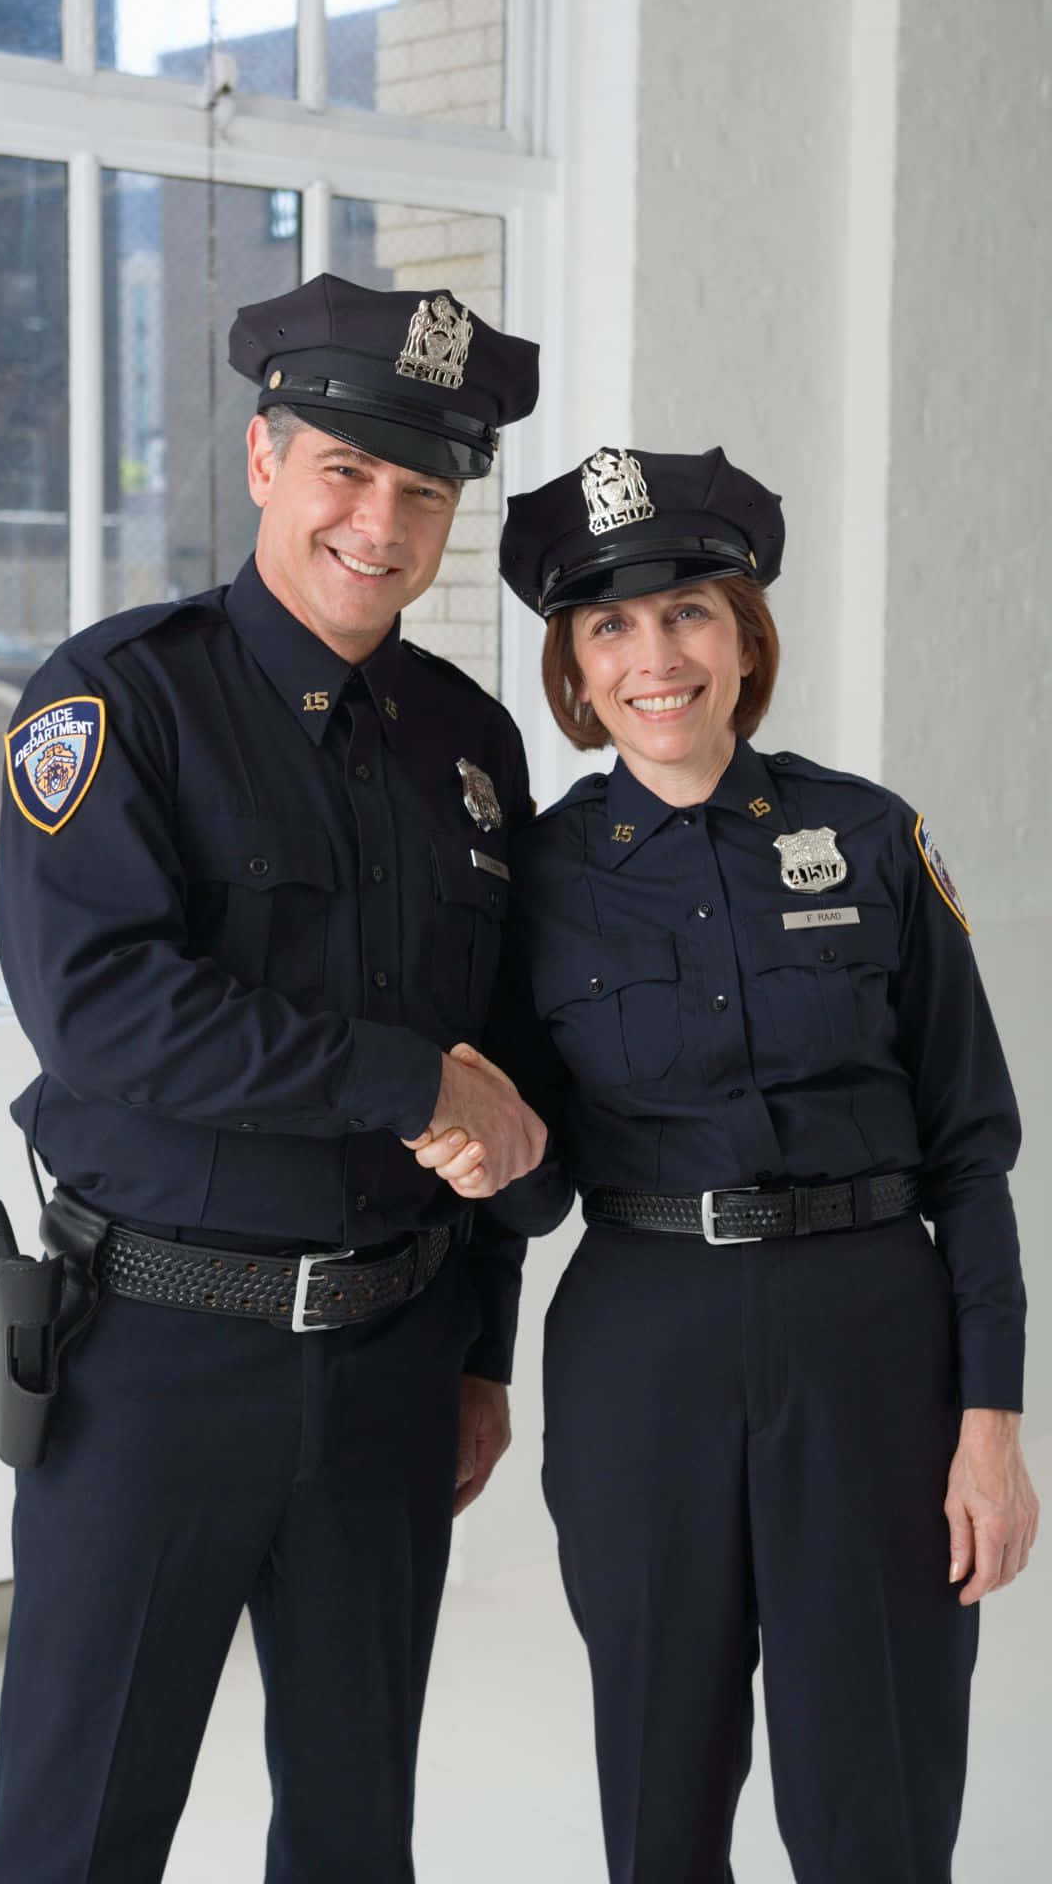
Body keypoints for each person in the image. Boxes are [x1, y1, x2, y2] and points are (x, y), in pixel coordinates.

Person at [0, 272, 569, 1884]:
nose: (380, 520)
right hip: (155, 1366)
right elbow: (101, 1011)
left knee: (351, 1823)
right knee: (78, 1825)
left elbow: (497, 1059)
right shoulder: (124, 697)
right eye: (345, 472)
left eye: (423, 488)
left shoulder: (465, 738)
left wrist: (482, 1348)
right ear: (263, 463)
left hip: (392, 1361)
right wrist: (403, 1086)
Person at [414, 444, 1039, 1883]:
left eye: (690, 610)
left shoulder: (871, 839)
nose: (656, 657)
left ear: (743, 637)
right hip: (647, 1339)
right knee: (662, 1774)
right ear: (575, 665)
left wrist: (992, 1422)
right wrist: (480, 1356)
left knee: (874, 1781)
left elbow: (971, 1152)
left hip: (874, 1341)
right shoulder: (537, 882)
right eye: (610, 626)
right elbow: (523, 1176)